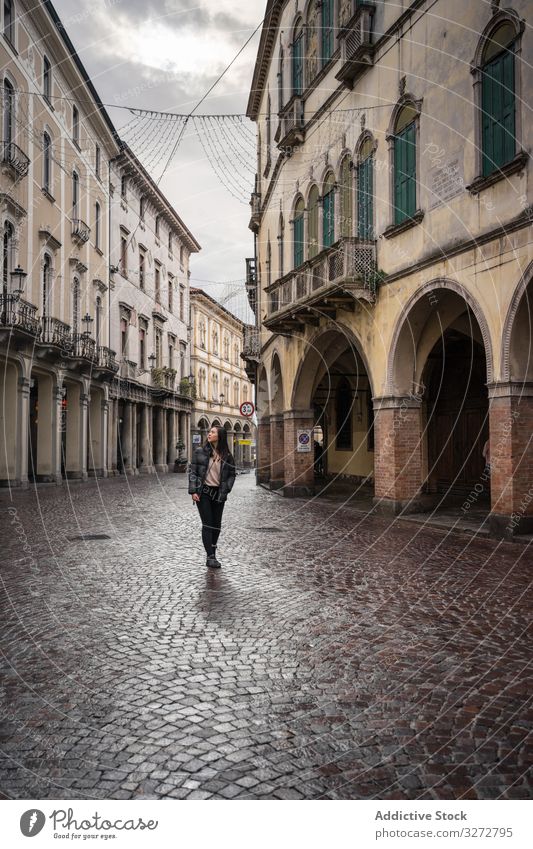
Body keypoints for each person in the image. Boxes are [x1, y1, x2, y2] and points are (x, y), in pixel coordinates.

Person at [188, 426, 236, 569]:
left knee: (217, 526)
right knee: (208, 524)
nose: (209, 434)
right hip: (203, 493)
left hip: (218, 493)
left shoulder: (227, 456)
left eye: (213, 432)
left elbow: (232, 475)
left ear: (220, 436)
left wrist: (226, 489)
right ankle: (210, 556)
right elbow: (193, 473)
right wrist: (193, 491)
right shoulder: (200, 452)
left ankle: (212, 551)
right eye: (209, 432)